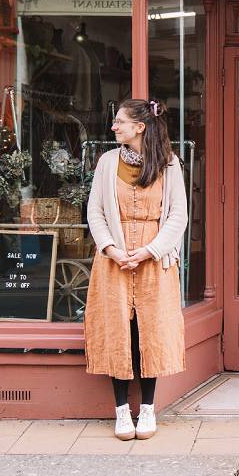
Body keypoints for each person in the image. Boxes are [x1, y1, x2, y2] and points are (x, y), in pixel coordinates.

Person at [85, 98, 187, 441]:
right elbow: (95, 212)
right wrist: (112, 250)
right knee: (118, 332)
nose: (114, 127)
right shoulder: (106, 162)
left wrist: (148, 250)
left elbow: (177, 216)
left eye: (120, 122)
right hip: (113, 259)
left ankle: (146, 409)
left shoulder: (169, 164)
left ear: (139, 127)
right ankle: (120, 412)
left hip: (154, 260)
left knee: (149, 333)